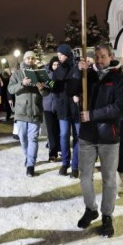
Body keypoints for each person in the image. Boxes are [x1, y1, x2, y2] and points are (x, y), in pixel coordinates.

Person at [76, 43, 123, 238]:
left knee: (108, 180)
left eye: (103, 56)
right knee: (84, 177)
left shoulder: (119, 78)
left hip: (109, 136)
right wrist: (77, 71)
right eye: (96, 56)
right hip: (87, 135)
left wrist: (92, 115)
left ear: (111, 56)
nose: (99, 60)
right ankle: (91, 209)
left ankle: (107, 216)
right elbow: (70, 89)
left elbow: (120, 108)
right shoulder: (87, 75)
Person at [8, 51, 48, 177]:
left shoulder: (40, 74)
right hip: (21, 112)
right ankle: (28, 156)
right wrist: (22, 84)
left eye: (32, 58)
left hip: (35, 111)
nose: (30, 60)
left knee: (33, 139)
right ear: (24, 59)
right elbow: (10, 89)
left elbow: (47, 92)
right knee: (23, 139)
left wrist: (42, 88)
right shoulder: (17, 74)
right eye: (28, 58)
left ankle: (31, 165)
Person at [50, 43, 82, 177]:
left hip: (75, 107)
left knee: (78, 137)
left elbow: (82, 84)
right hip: (63, 107)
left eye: (61, 55)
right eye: (58, 55)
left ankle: (75, 166)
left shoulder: (76, 67)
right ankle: (65, 163)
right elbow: (53, 86)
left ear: (67, 54)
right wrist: (46, 84)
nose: (59, 57)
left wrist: (79, 95)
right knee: (63, 136)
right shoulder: (57, 70)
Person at [42, 56, 61, 162]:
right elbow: (47, 87)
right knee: (51, 130)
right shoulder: (45, 73)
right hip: (48, 105)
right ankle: (52, 152)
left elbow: (56, 86)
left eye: (58, 64)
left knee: (60, 130)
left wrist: (48, 83)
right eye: (54, 64)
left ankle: (61, 148)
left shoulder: (62, 73)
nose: (56, 66)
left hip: (59, 105)